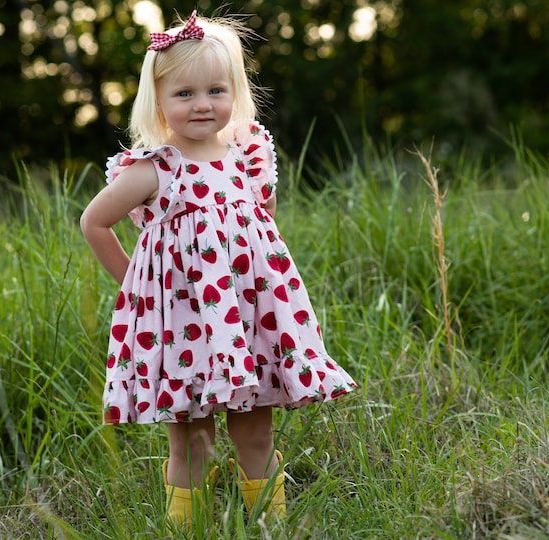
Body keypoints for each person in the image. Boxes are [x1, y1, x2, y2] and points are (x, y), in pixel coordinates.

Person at [80, 10, 357, 530]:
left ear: (235, 92)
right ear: (157, 102)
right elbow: (94, 223)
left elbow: (261, 227)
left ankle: (268, 526)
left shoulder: (245, 154)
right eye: (184, 94)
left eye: (215, 90)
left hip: (250, 318)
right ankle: (188, 528)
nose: (202, 104)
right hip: (188, 327)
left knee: (256, 432)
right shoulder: (154, 168)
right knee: (194, 439)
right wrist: (139, 293)